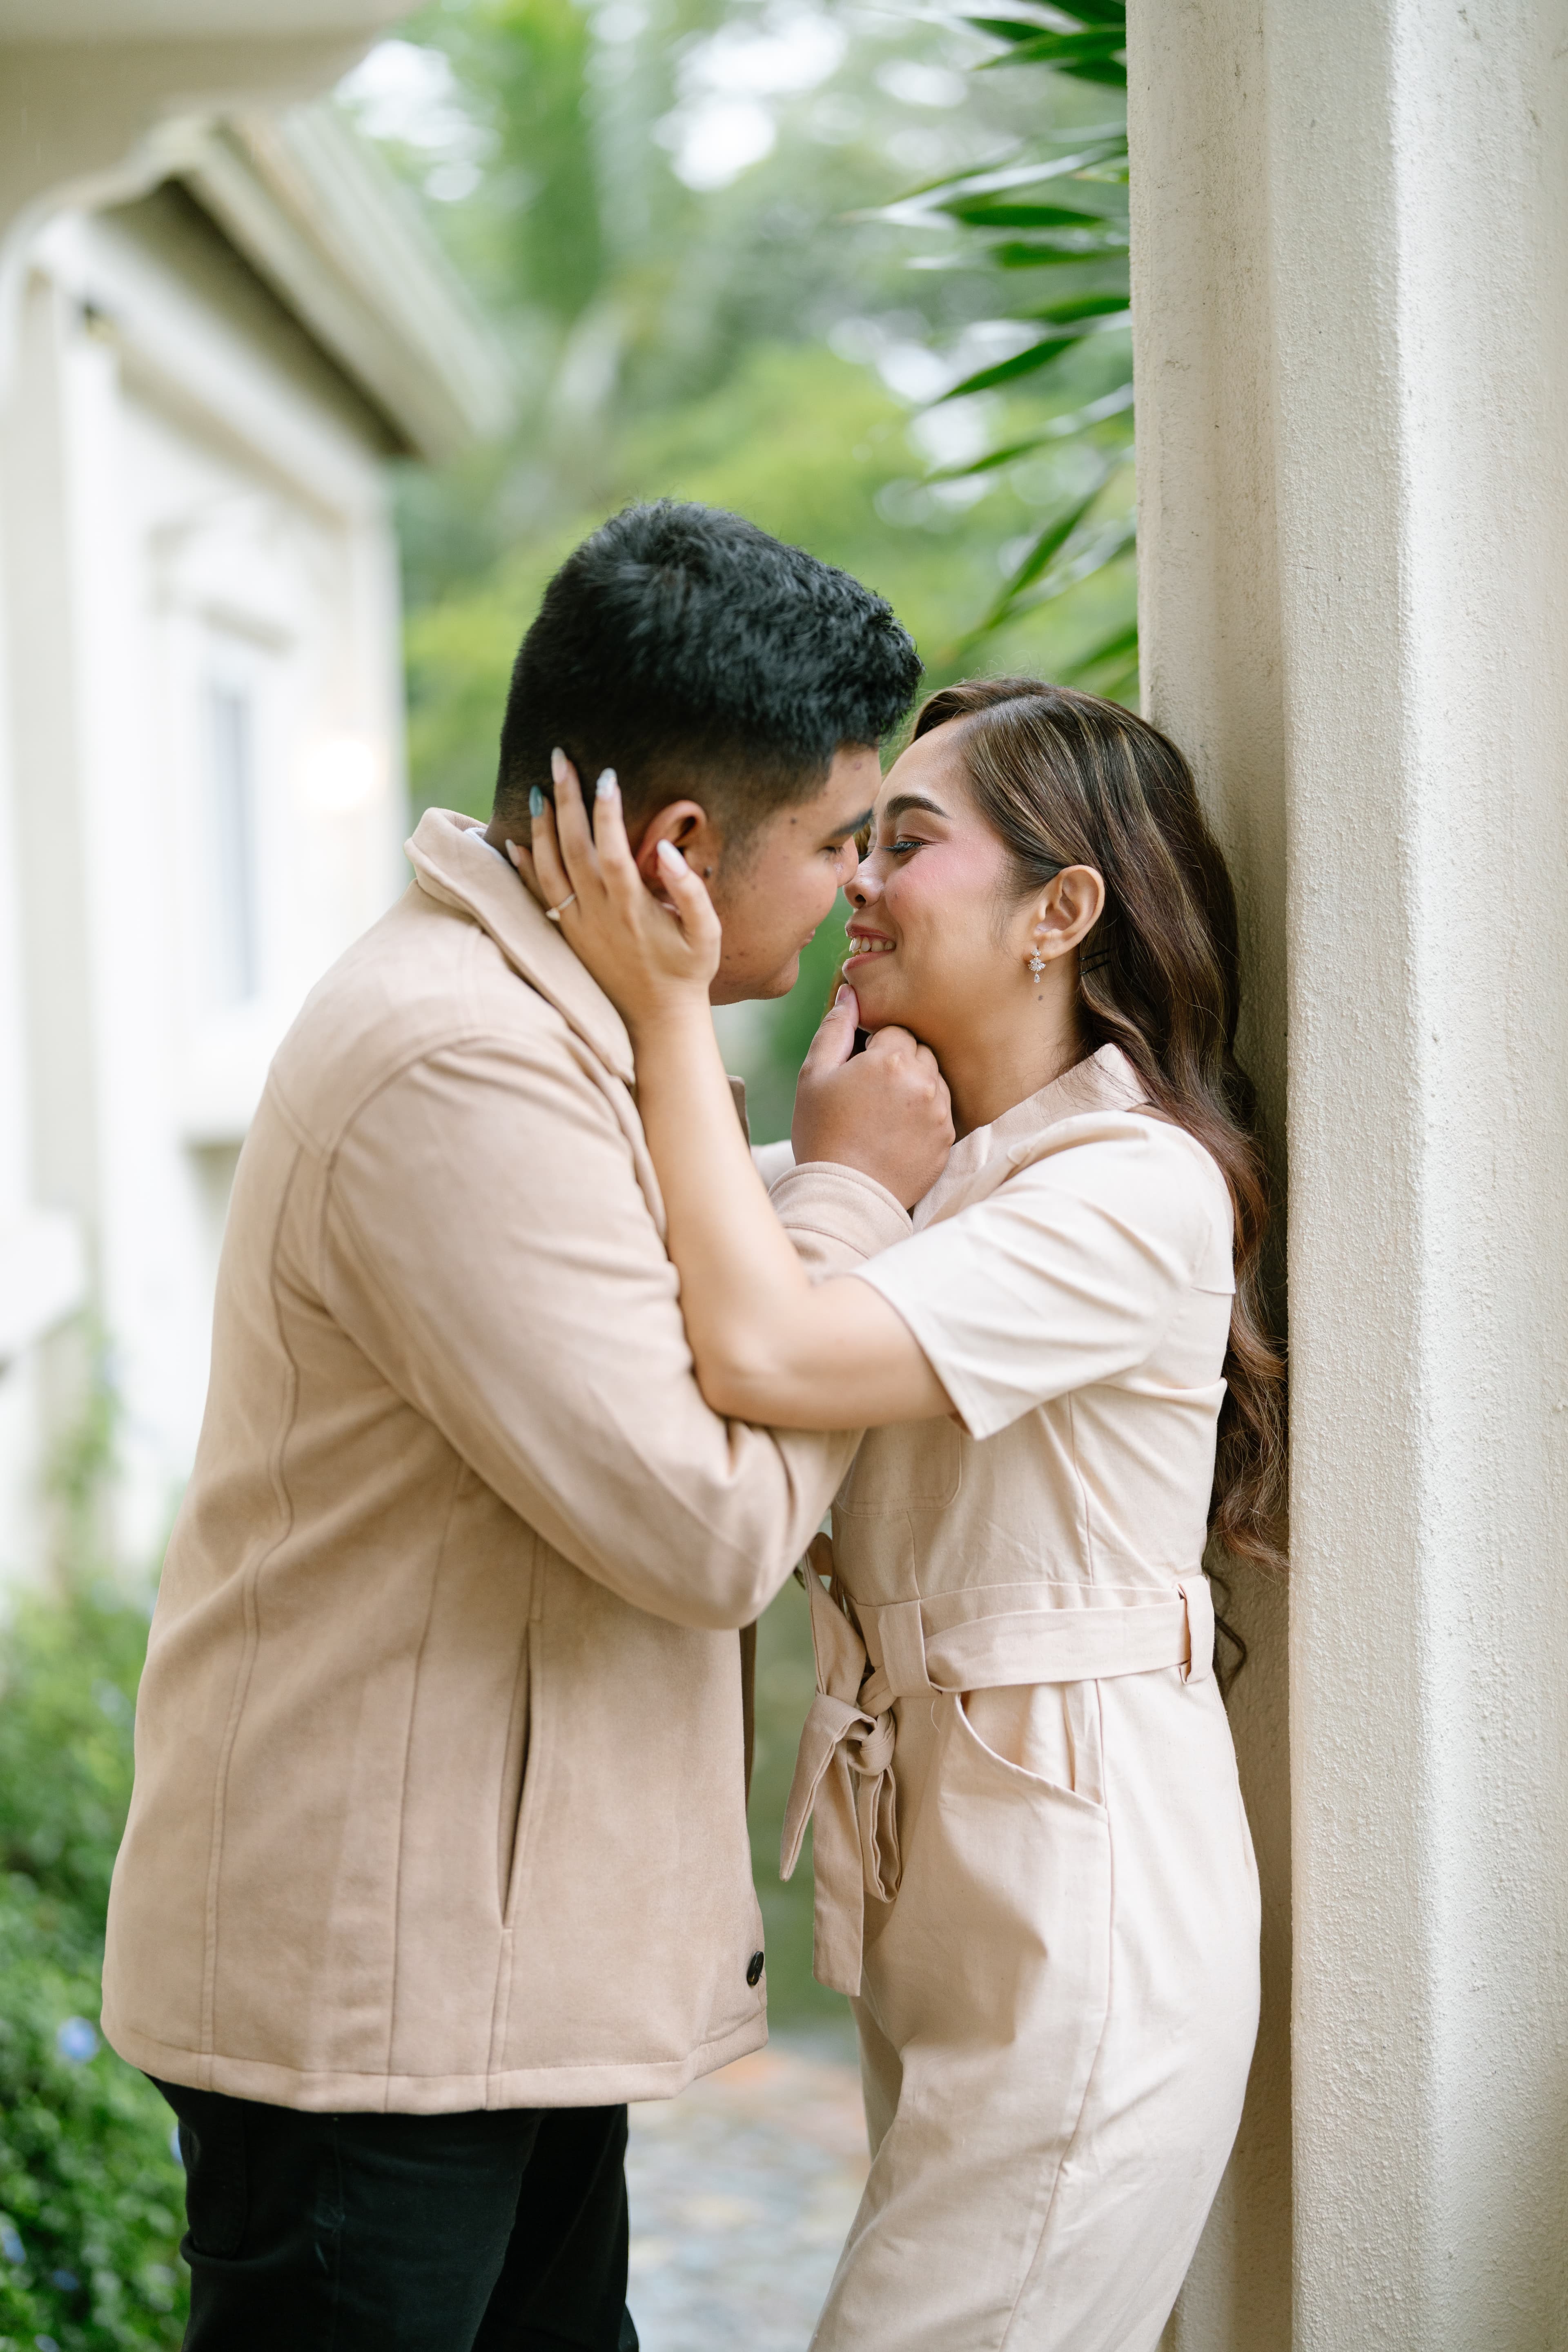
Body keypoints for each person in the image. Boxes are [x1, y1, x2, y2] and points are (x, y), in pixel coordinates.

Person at [100, 502, 954, 2350]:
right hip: (376, 2012)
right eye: (832, 844)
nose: (856, 898)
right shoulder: (460, 1063)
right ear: (679, 848)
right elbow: (709, 1524)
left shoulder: (565, 1025)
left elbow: (668, 1287)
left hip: (486, 1979)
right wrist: (858, 1209)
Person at [530, 675, 1285, 2352]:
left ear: (1060, 913)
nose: (857, 879)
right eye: (855, 843)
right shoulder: (932, 1161)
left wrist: (672, 1018)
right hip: (952, 1880)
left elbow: (768, 1343)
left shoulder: (1135, 1187)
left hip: (1080, 1906)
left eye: (911, 844)